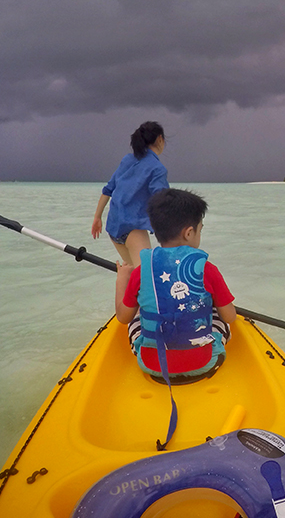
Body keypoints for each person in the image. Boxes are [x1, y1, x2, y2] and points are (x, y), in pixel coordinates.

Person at [115, 188, 237, 384]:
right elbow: (230, 316)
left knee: (135, 319)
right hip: (204, 363)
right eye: (200, 228)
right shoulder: (207, 269)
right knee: (218, 318)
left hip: (152, 366)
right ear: (189, 233)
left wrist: (122, 280)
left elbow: (122, 317)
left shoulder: (141, 271)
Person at [92, 121, 169, 265]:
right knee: (145, 277)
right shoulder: (158, 169)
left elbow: (108, 190)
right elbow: (163, 202)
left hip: (113, 227)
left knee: (133, 273)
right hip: (134, 231)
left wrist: (97, 218)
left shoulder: (127, 159)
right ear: (160, 139)